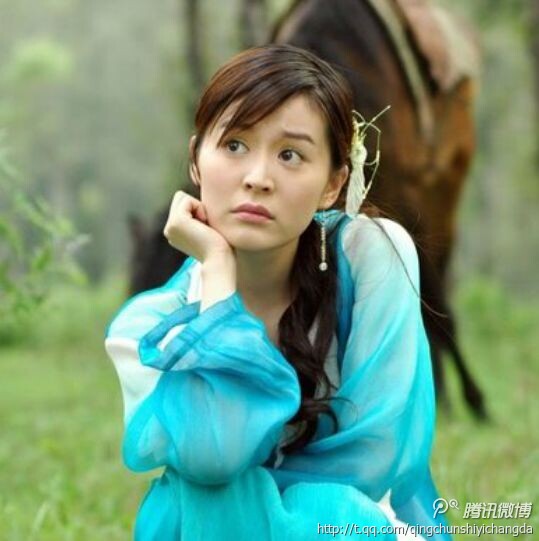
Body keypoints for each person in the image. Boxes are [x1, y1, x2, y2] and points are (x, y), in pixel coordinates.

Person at [104, 44, 453, 541]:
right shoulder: (147, 329)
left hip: (355, 524)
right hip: (214, 523)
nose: (257, 178)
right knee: (205, 492)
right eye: (234, 145)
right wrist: (218, 273)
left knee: (224, 499)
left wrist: (263, 509)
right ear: (196, 160)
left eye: (290, 155)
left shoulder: (370, 257)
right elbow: (211, 460)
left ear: (333, 183)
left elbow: (377, 457)